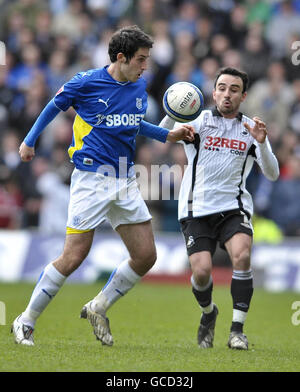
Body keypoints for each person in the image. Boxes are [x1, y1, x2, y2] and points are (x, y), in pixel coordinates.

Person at [11, 25, 194, 346]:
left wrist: (169, 134)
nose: (145, 66)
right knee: (73, 256)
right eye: (140, 59)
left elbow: (134, 125)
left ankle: (99, 305)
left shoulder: (138, 87)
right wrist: (29, 141)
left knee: (146, 256)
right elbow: (54, 105)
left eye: (147, 59)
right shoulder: (86, 82)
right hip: (91, 179)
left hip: (125, 179)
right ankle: (25, 320)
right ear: (121, 58)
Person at [159, 67, 279, 350]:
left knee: (242, 255)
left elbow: (272, 173)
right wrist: (172, 110)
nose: (227, 94)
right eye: (222, 88)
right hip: (195, 208)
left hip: (233, 208)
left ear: (243, 95)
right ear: (213, 93)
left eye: (234, 89)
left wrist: (262, 144)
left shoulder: (252, 129)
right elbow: (161, 136)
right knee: (201, 273)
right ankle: (208, 313)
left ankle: (237, 330)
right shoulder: (197, 120)